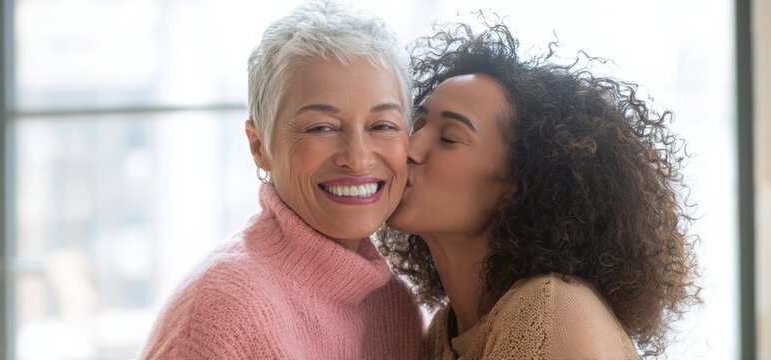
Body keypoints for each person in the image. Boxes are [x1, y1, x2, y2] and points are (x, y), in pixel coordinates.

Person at [378, 21, 701, 359]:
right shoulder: (446, 330)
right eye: (417, 124)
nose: (409, 149)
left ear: (519, 183)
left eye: (449, 138)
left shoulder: (550, 313)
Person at [139, 1, 422, 359]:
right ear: (259, 147)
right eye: (321, 127)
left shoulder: (393, 305)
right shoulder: (222, 309)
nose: (357, 157)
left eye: (382, 126)